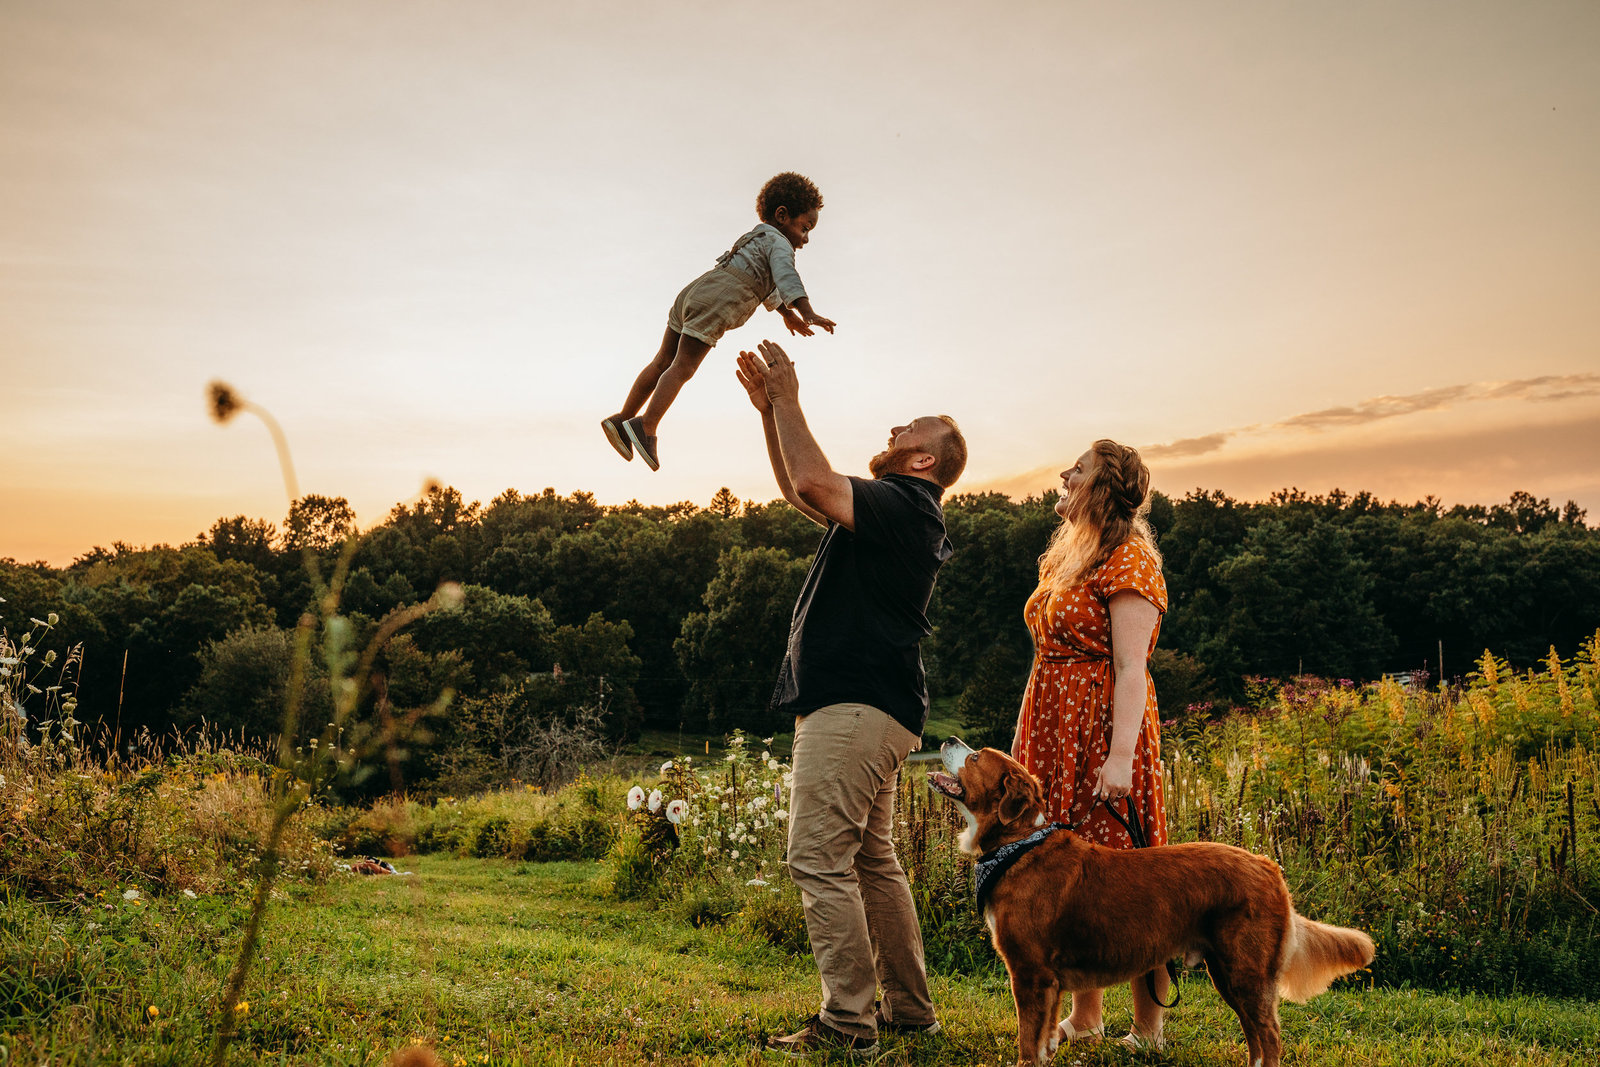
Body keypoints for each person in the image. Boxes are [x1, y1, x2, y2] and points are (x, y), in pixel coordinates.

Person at [734, 339, 966, 1058]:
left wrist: (791, 397)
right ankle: (910, 1010)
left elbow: (813, 481)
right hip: (881, 708)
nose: (894, 430)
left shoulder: (904, 503)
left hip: (856, 707)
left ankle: (847, 1022)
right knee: (872, 859)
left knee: (816, 856)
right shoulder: (900, 514)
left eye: (909, 430)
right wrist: (774, 411)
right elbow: (800, 488)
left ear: (924, 459)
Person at [1009, 439, 1170, 1051]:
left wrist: (1122, 758)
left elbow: (1132, 667)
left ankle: (1149, 1028)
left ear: (1102, 488)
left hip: (1104, 726)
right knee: (1064, 874)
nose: (1063, 475)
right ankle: (1086, 1016)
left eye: (1076, 470)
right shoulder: (1066, 559)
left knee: (1129, 876)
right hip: (1051, 723)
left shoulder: (1130, 560)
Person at [601, 173, 835, 472]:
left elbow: (765, 281)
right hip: (719, 300)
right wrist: (807, 311)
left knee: (663, 360)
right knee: (683, 366)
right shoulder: (780, 243)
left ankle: (622, 418)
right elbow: (786, 275)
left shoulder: (758, 236)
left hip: (697, 291)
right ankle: (646, 426)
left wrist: (786, 313)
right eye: (805, 228)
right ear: (782, 215)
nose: (806, 239)